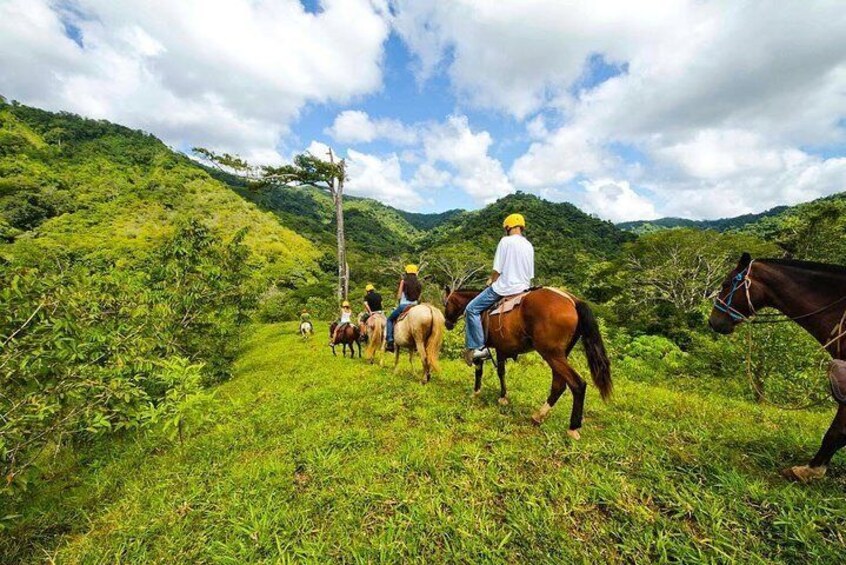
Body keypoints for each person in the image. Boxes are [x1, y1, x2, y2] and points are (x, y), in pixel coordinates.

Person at [464, 213, 534, 366]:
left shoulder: (505, 241)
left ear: (508, 227)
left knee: (471, 309)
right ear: (521, 226)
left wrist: (491, 280)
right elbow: (530, 274)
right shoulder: (529, 245)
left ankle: (478, 348)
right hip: (523, 289)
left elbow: (497, 269)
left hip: (504, 288)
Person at [386, 264, 423, 351]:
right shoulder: (419, 283)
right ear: (415, 273)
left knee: (389, 320)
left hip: (404, 306)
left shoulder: (403, 281)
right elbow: (419, 297)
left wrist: (399, 299)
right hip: (415, 306)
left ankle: (390, 340)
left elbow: (399, 296)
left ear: (406, 272)